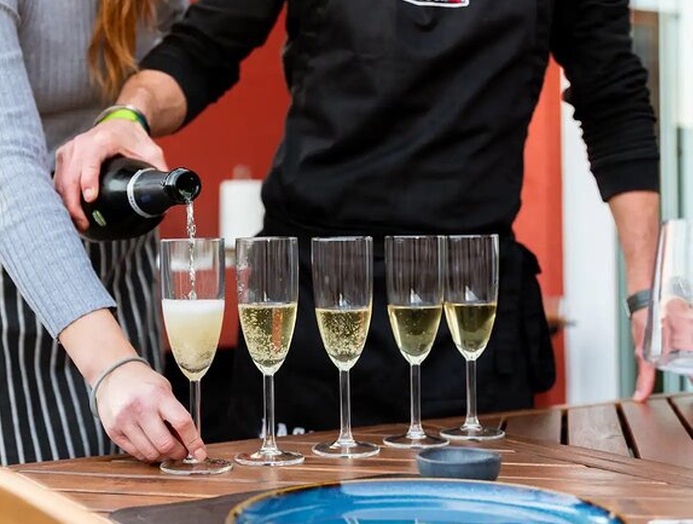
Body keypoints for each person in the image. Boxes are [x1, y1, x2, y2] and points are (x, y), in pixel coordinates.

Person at [55, 0, 661, 440]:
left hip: (468, 310)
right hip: (309, 306)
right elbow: (204, 44)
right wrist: (127, 117)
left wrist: (647, 290)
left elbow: (613, 98)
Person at [0, 0, 208, 465]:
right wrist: (115, 365)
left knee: (125, 497)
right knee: (3, 502)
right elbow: (6, 171)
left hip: (111, 238)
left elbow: (202, 44)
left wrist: (131, 114)